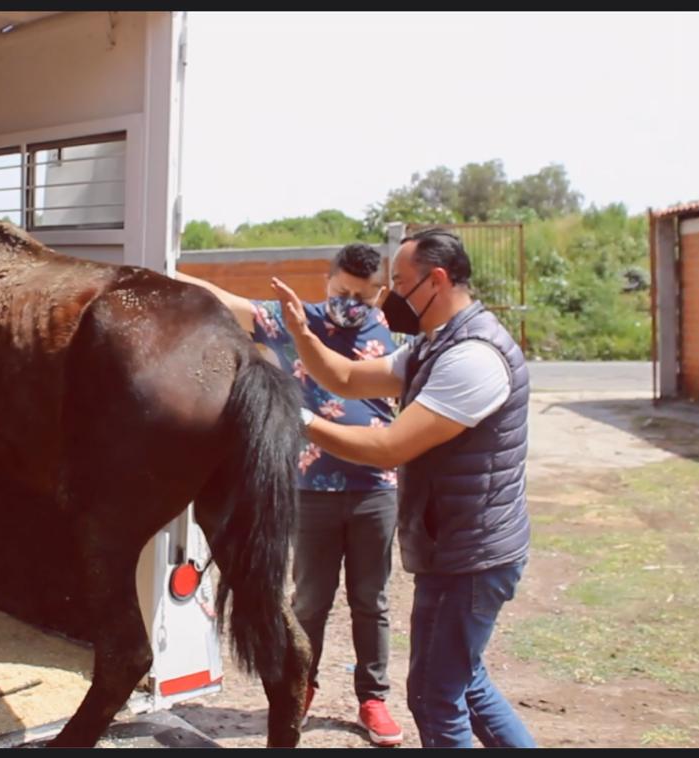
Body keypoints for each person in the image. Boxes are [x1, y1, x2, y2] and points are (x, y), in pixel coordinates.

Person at [269, 227, 536, 748]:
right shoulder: (435, 346)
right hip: (452, 549)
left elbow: (390, 446)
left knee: (437, 699)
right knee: (465, 683)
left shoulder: (473, 358)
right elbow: (347, 377)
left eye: (401, 282)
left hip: (474, 556)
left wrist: (295, 418)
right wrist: (302, 333)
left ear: (437, 281)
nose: (389, 296)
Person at [176, 243, 405, 746]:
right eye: (343, 292)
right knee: (310, 600)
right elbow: (230, 302)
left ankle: (373, 698)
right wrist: (171, 271)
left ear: (378, 294)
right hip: (312, 488)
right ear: (328, 282)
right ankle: (301, 685)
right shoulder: (296, 321)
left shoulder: (391, 331)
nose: (351, 304)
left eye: (362, 297)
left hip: (375, 488)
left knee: (372, 600)